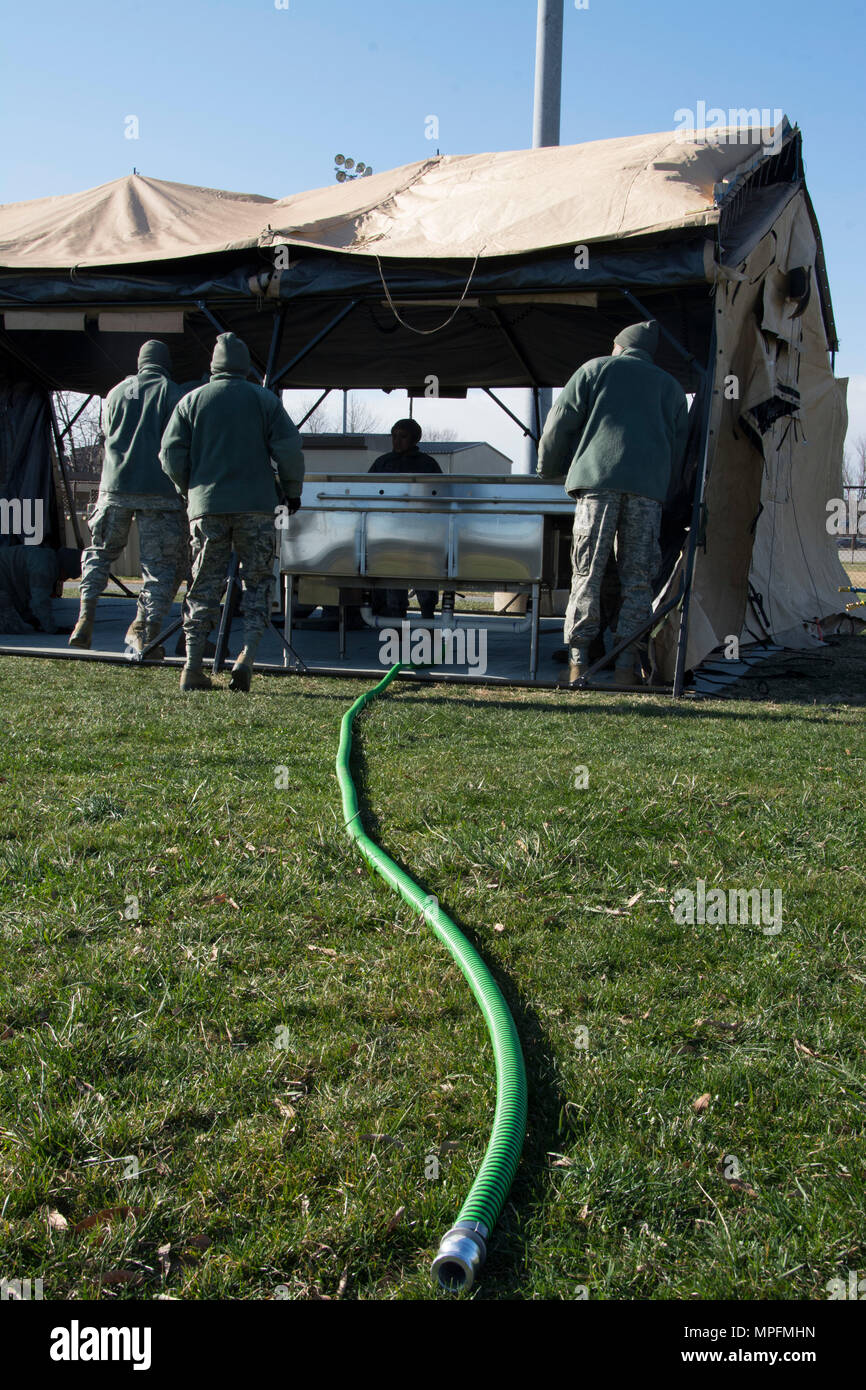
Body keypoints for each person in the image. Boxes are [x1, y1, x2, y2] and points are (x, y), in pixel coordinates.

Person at [537, 320, 688, 686]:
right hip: (647, 492)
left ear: (618, 345)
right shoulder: (671, 388)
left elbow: (560, 424)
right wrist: (666, 490)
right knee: (638, 579)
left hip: (597, 485)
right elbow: (680, 450)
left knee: (587, 573)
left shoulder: (594, 370)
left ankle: (577, 663)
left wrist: (548, 468)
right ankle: (625, 667)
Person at [160, 332, 304, 692]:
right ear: (244, 365)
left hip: (207, 508)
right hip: (256, 507)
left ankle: (193, 666)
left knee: (204, 584)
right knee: (257, 583)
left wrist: (189, 489)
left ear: (213, 363)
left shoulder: (191, 401)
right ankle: (247, 657)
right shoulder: (264, 400)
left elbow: (170, 456)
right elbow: (289, 450)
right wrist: (292, 492)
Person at [69, 340, 187, 657]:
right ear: (165, 362)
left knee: (99, 552)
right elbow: (177, 442)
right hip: (158, 492)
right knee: (157, 568)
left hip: (112, 486)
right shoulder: (171, 392)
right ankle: (146, 634)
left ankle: (85, 616)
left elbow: (107, 432)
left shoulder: (115, 392)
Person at [369, 418, 442, 620]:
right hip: (390, 534)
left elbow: (438, 498)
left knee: (425, 588)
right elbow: (368, 494)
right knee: (394, 589)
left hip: (421, 535)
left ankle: (428, 628)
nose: (397, 441)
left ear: (414, 439)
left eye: (402, 436)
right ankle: (397, 634)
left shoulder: (427, 465)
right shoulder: (382, 463)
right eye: (394, 436)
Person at [0, 546, 81, 635]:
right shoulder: (44, 568)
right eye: (67, 575)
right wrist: (52, 628)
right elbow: (40, 601)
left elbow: (21, 597)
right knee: (11, 628)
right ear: (65, 569)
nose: (64, 579)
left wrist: (31, 618)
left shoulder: (45, 557)